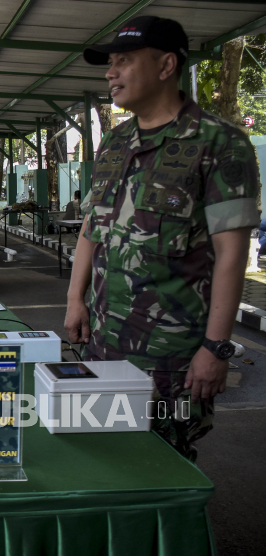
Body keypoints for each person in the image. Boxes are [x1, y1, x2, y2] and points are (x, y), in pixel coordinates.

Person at [65, 16, 260, 461]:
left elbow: (233, 254)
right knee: (103, 454)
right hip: (102, 343)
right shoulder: (114, 144)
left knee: (163, 463)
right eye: (109, 63)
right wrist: (76, 299)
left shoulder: (219, 143)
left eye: (125, 61)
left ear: (166, 65)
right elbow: (91, 229)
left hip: (170, 357)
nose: (111, 72)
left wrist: (215, 348)